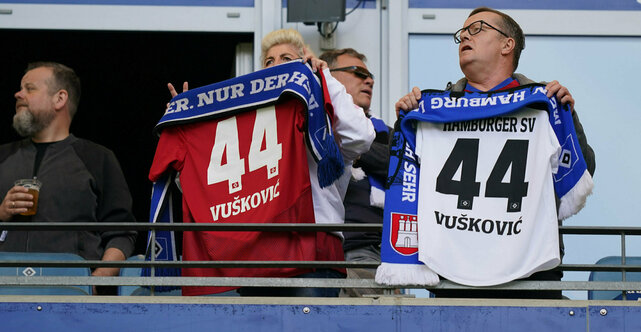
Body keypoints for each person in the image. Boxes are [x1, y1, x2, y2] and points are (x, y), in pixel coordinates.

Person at [395, 7, 595, 299]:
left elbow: (583, 171)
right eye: (461, 33)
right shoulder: (432, 111)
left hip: (532, 275)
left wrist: (567, 119)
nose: (464, 35)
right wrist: (406, 122)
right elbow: (406, 179)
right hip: (454, 274)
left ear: (507, 44)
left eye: (476, 29)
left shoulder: (543, 104)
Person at [165, 29, 374, 297]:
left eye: (286, 58)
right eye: (268, 62)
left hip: (313, 251)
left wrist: (324, 79)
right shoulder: (246, 129)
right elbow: (198, 186)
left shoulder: (323, 116)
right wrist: (191, 126)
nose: (275, 66)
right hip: (257, 253)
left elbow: (362, 136)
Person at [0, 62, 137, 294]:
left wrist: (95, 280)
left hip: (70, 300)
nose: (18, 94)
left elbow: (122, 234)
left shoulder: (97, 158)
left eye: (29, 88)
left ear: (60, 99)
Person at [319, 48, 390, 297]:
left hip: (381, 255)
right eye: (358, 72)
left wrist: (353, 148)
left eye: (370, 75)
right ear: (330, 77)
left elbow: (401, 166)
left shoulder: (384, 132)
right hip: (332, 253)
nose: (369, 80)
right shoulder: (311, 128)